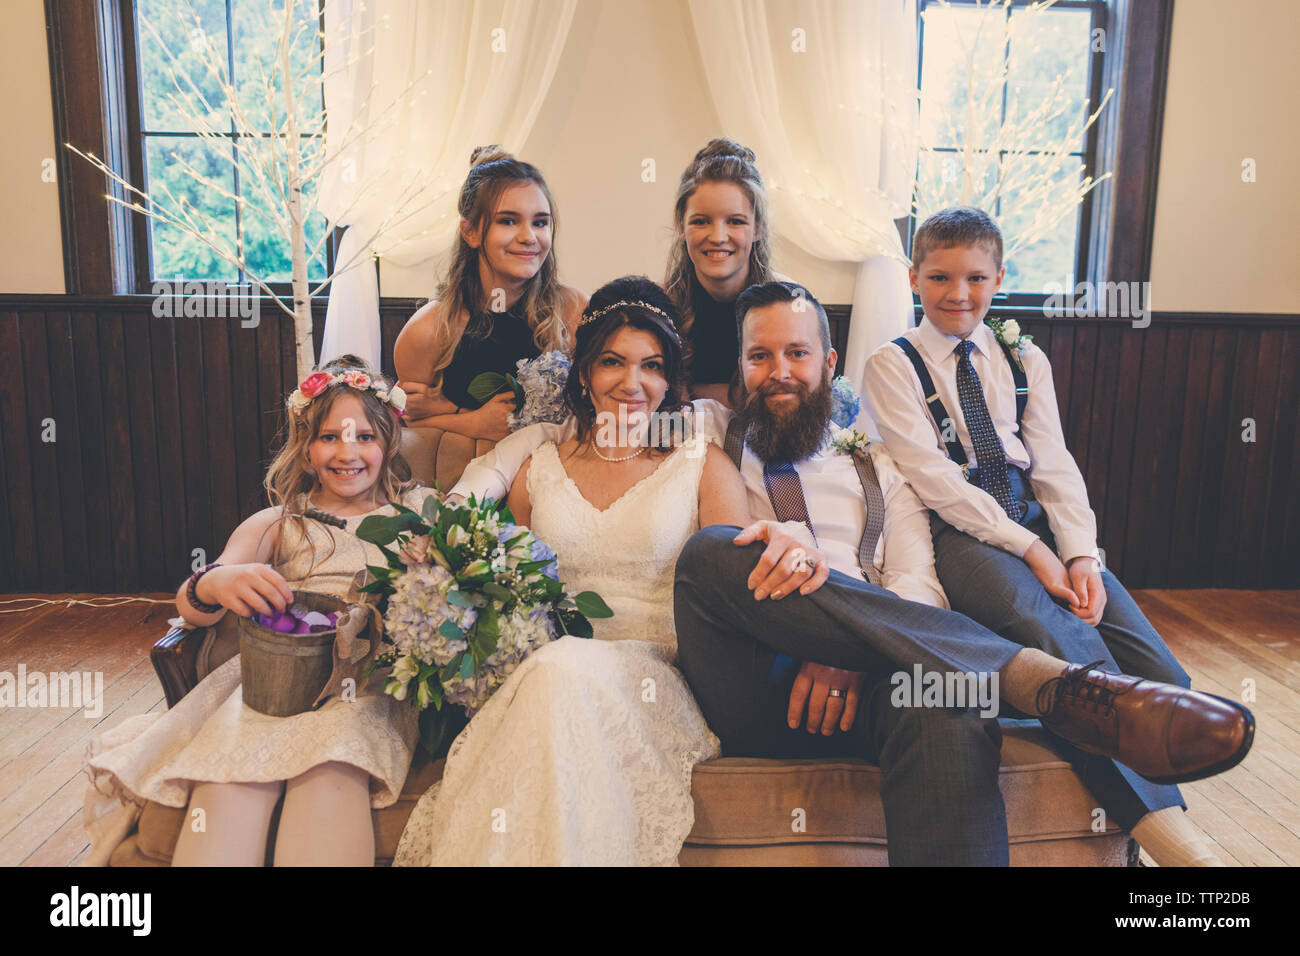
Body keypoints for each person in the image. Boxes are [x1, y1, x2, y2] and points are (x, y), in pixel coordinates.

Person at [670, 281, 1255, 866]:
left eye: (797, 353)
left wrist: (848, 650)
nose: (780, 372)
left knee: (948, 696)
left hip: (876, 673)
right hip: (762, 680)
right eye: (759, 357)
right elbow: (626, 405)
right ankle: (1035, 678)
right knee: (712, 552)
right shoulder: (707, 433)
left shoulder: (879, 461)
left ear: (828, 363)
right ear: (738, 370)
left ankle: (1073, 717)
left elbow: (918, 580)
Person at [862, 207, 1242, 865]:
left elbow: (1054, 462)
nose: (958, 294)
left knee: (1159, 673)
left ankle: (1118, 809)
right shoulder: (891, 365)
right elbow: (934, 481)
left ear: (1000, 276)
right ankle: (1173, 841)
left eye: (976, 278)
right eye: (940, 277)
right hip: (962, 533)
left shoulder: (1022, 356)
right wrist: (1033, 553)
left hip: (1031, 516)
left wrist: (1080, 555)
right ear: (913, 279)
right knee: (1055, 633)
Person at [393, 277, 752, 865]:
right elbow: (511, 591)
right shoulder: (539, 466)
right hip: (548, 678)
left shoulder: (703, 465)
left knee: (557, 673)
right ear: (583, 371)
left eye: (652, 366)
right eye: (612, 361)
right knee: (552, 679)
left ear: (669, 379)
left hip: (658, 679)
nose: (632, 383)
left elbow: (731, 598)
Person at [82, 356, 438, 866]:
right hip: (274, 680)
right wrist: (218, 582)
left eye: (364, 436)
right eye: (330, 437)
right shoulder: (279, 522)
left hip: (366, 681)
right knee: (232, 774)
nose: (347, 452)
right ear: (307, 447)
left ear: (389, 442)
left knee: (331, 769)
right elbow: (191, 606)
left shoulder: (421, 512)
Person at [393, 146, 587, 441]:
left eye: (540, 222)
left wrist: (449, 411)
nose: (528, 237)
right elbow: (406, 430)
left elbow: (595, 416)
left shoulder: (574, 311)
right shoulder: (428, 332)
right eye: (508, 221)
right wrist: (470, 421)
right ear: (470, 232)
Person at [664, 138, 777, 407]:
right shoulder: (660, 304)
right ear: (681, 226)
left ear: (757, 228)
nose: (718, 237)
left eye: (735, 221)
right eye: (701, 221)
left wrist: (698, 393)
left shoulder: (787, 304)